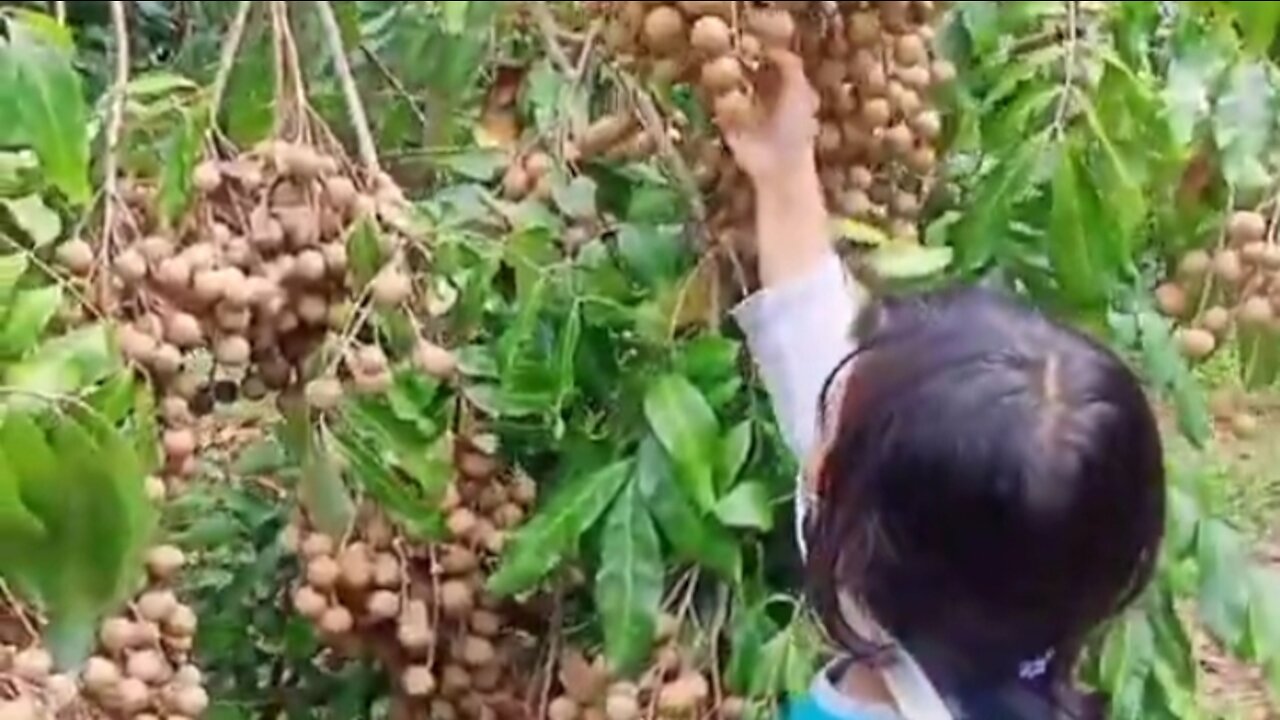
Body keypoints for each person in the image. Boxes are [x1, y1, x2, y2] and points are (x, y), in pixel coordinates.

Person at [723, 51, 1166, 720]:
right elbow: (819, 349)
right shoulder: (1016, 597)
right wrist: (784, 169)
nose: (815, 448)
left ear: (849, 551)